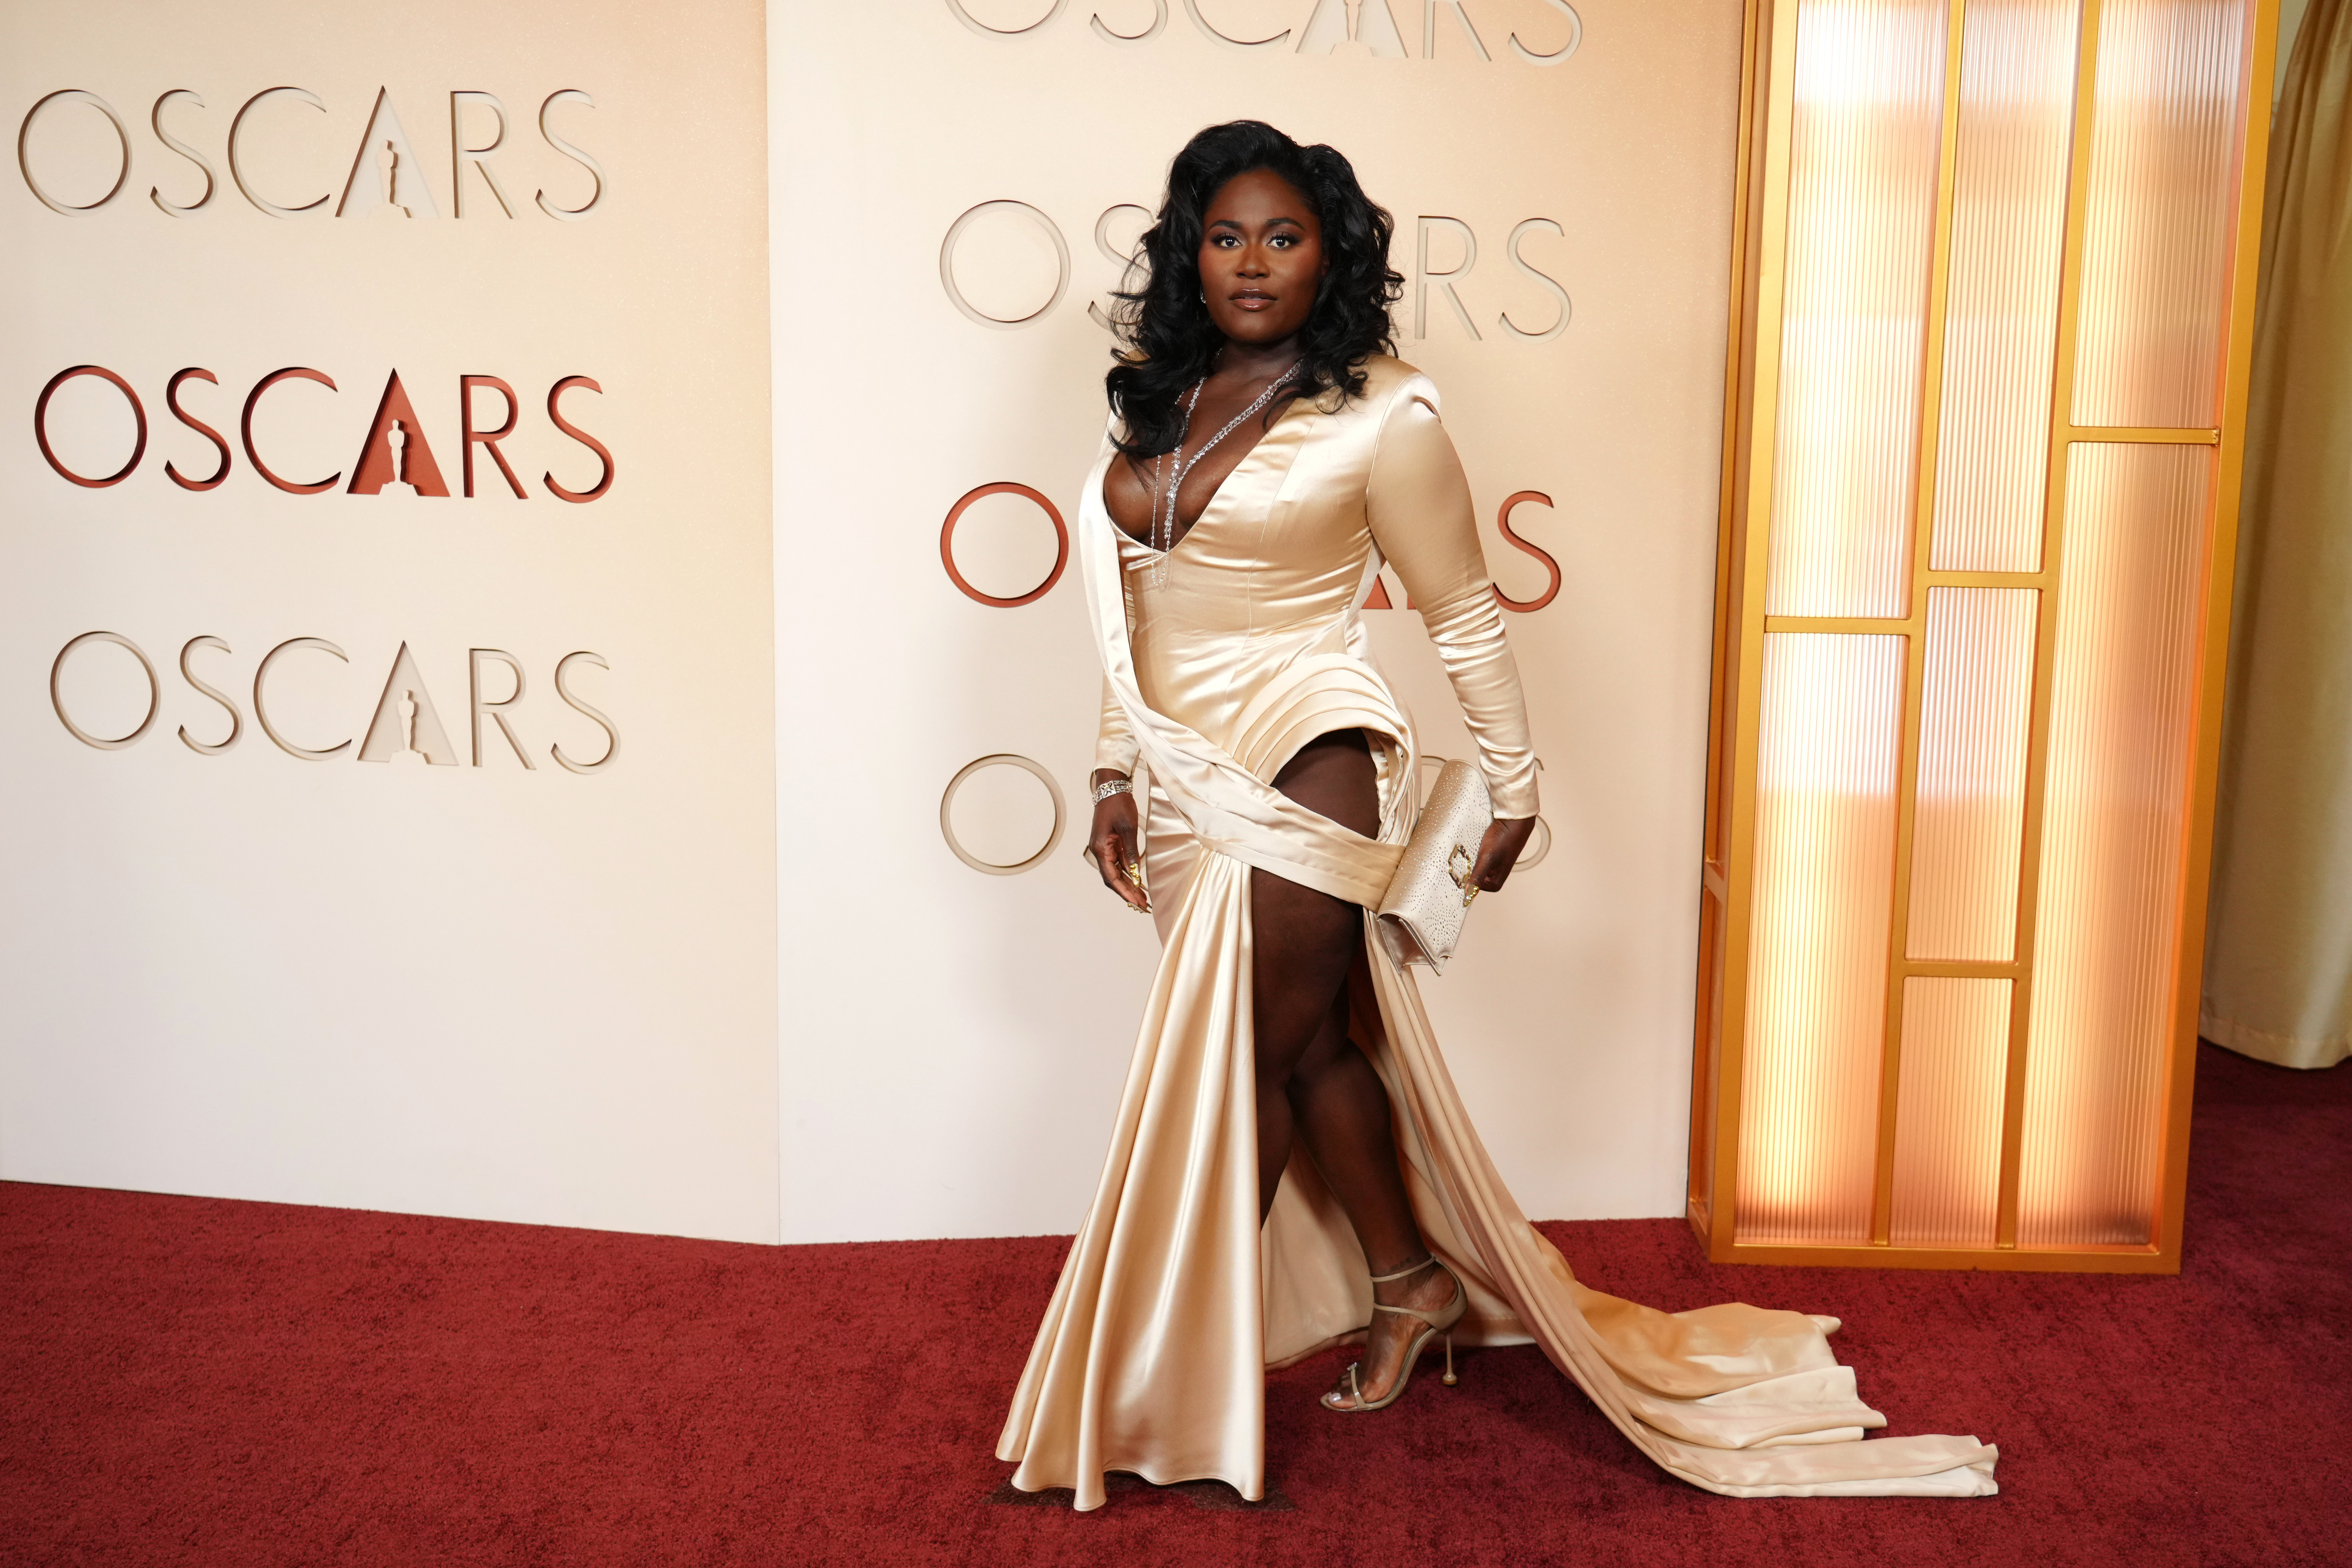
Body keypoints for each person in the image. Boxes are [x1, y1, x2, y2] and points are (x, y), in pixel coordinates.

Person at [996, 121, 1996, 1510]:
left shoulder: (1384, 411)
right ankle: (1409, 1285)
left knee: (1244, 1063)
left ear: (1331, 252)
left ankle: (1162, 1379)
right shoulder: (1158, 399)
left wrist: (1514, 782)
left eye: (1284, 236)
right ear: (1188, 251)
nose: (1251, 262)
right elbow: (1137, 621)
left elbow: (1462, 609)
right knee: (1311, 1055)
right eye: (1225, 236)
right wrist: (1113, 770)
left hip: (1307, 758)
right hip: (1180, 777)